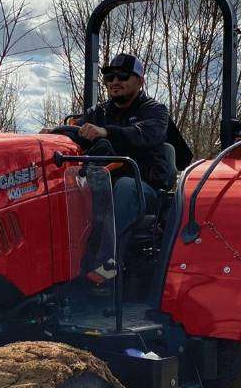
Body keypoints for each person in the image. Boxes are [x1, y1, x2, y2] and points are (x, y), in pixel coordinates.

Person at [72, 53, 174, 284]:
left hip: (145, 188)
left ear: (140, 81)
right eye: (109, 76)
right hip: (103, 183)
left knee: (125, 187)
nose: (115, 81)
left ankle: (106, 270)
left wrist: (106, 132)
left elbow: (146, 134)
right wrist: (55, 133)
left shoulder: (155, 111)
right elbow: (77, 131)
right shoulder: (97, 112)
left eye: (123, 76)